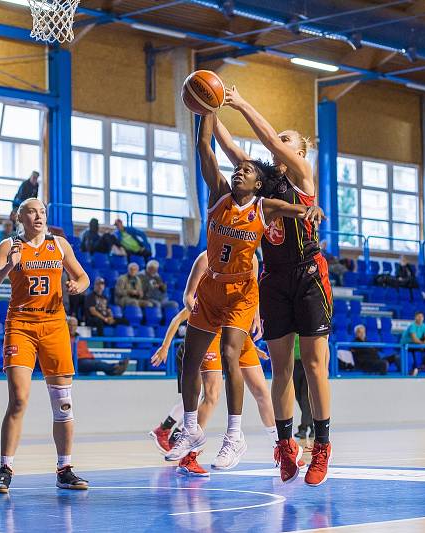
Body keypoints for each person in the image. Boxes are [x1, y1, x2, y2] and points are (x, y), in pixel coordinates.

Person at [163, 113, 322, 477]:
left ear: (258, 182)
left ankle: (235, 436)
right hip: (212, 286)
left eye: (247, 171)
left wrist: (309, 209)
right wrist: (208, 110)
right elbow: (207, 147)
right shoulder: (219, 194)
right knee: (190, 357)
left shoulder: (264, 205)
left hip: (242, 290)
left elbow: (294, 208)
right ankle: (190, 429)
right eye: (239, 169)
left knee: (230, 354)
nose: (239, 171)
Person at [215, 87, 334, 485]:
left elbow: (264, 140)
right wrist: (208, 109)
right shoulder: (261, 184)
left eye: (287, 140)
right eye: (278, 138)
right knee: (280, 370)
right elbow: (232, 150)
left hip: (308, 274)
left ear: (300, 152)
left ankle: (322, 447)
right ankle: (286, 448)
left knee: (314, 366)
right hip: (274, 278)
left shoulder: (302, 175)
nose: (277, 143)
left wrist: (241, 101)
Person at [0, 198, 89, 494]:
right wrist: (8, 269)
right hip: (21, 325)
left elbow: (82, 275)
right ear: (20, 217)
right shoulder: (9, 246)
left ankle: (64, 468)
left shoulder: (60, 244)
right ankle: (5, 467)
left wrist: (79, 285)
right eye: (32, 211)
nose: (38, 216)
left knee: (64, 404)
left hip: (54, 325)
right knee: (18, 398)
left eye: (42, 211)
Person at [149, 251, 286, 475]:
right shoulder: (206, 258)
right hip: (211, 330)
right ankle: (188, 455)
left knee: (262, 390)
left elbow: (252, 292)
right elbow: (188, 298)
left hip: (237, 330)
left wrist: (255, 317)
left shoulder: (251, 258)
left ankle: (281, 448)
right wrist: (203, 318)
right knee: (211, 395)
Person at [292, 335, 313, 439]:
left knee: (305, 398)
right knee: (298, 396)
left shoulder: (305, 326)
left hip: (307, 363)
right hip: (294, 364)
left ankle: (303, 428)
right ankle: (312, 425)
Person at [400, 311, 425, 376]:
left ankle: (422, 367)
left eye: (422, 317)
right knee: (415, 353)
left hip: (416, 344)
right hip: (406, 344)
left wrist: (424, 343)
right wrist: (422, 343)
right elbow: (414, 339)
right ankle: (412, 370)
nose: (420, 318)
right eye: (419, 316)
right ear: (415, 317)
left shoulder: (424, 326)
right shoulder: (412, 326)